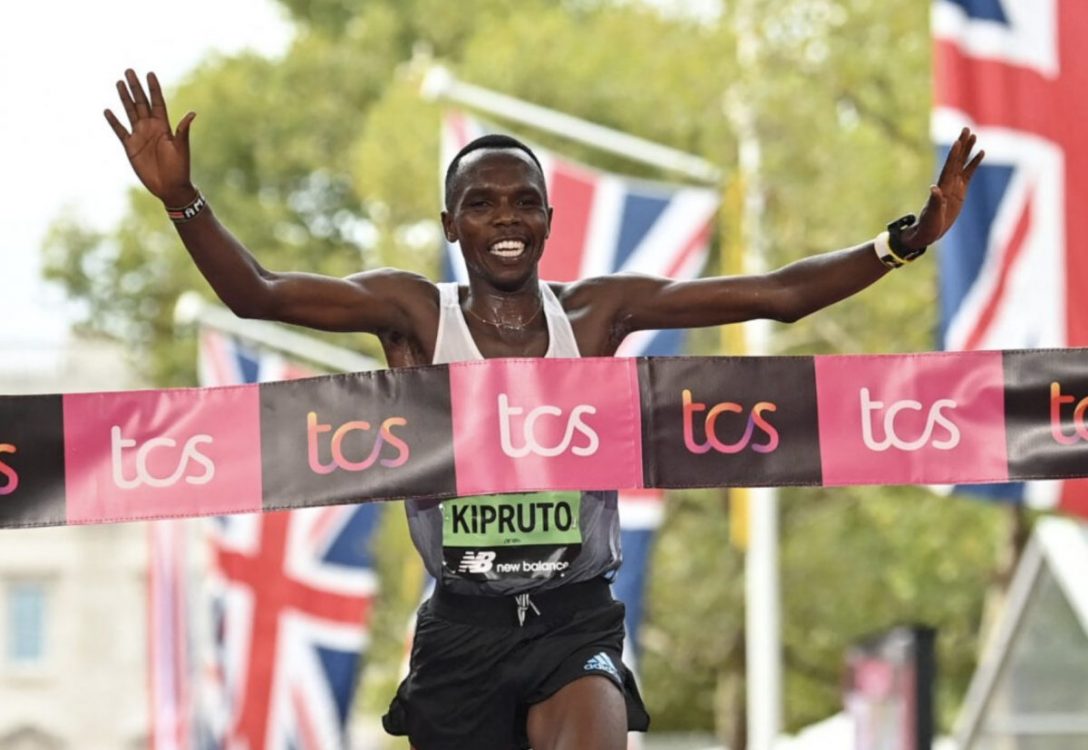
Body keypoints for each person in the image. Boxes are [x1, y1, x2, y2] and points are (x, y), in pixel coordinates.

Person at [105, 69, 983, 750]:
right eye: (482, 205)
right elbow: (258, 295)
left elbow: (776, 295)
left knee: (594, 718)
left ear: (550, 219)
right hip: (461, 627)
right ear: (453, 226)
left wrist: (901, 241)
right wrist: (183, 199)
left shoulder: (596, 314)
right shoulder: (415, 315)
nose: (505, 219)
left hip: (575, 616)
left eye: (524, 201)